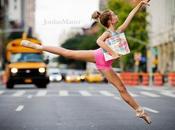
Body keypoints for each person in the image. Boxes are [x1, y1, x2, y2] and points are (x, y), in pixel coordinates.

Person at [21, 0, 151, 124]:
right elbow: (99, 41)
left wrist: (140, 4)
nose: (117, 16)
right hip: (99, 57)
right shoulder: (107, 33)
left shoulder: (118, 31)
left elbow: (130, 16)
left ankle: (140, 111)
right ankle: (39, 47)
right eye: (114, 15)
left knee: (122, 88)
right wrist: (113, 53)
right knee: (67, 52)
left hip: (101, 60)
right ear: (111, 20)